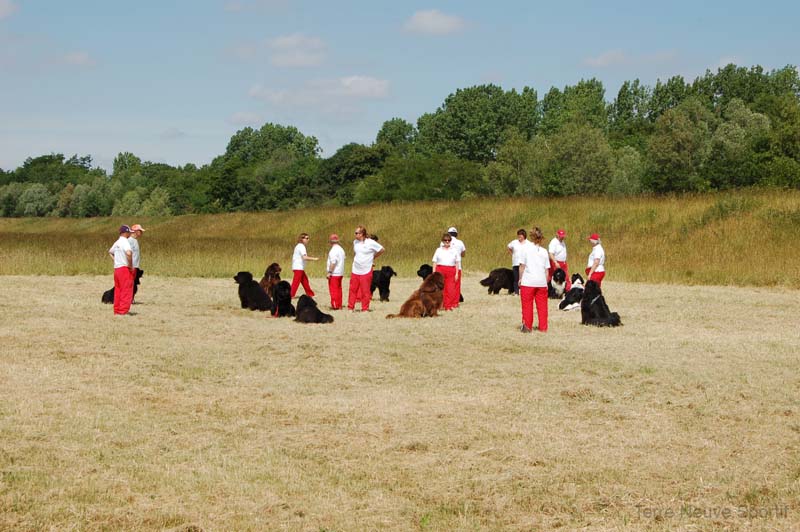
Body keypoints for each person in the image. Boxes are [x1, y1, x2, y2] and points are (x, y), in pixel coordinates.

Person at [518, 226, 550, 333]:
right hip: (541, 282)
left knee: (527, 305)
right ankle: (543, 327)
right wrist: (545, 283)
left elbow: (522, 266)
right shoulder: (544, 251)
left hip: (528, 281)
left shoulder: (525, 249)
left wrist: (520, 279)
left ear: (531, 237)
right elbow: (546, 270)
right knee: (542, 307)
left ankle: (527, 326)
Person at [348, 225, 384, 311]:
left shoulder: (370, 242)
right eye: (355, 233)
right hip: (355, 269)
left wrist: (373, 257)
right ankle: (350, 307)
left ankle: (365, 308)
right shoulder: (355, 242)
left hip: (366, 270)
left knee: (365, 291)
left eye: (356, 233)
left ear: (362, 234)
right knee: (353, 289)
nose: (355, 234)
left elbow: (382, 249)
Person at [108, 225, 134, 316]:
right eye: (129, 232)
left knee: (118, 290)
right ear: (125, 233)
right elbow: (129, 253)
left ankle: (117, 310)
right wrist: (130, 265)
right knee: (126, 290)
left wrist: (116, 260)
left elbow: (110, 252)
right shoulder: (125, 241)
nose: (130, 233)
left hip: (117, 269)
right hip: (124, 268)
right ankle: (123, 311)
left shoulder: (117, 242)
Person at [432, 232, 461, 310]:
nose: (447, 242)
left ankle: (448, 305)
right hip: (440, 269)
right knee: (440, 289)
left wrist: (457, 273)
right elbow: (434, 261)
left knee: (450, 288)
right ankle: (440, 305)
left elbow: (457, 262)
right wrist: (434, 272)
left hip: (451, 270)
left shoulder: (454, 250)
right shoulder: (438, 250)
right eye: (445, 240)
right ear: (442, 241)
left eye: (448, 240)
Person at [290, 233, 319, 298]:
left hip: (299, 267)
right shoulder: (301, 246)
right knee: (296, 282)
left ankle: (310, 294)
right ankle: (291, 295)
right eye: (306, 238)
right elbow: (304, 257)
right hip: (298, 267)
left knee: (305, 281)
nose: (308, 240)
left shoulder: (298, 246)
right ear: (302, 239)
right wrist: (314, 259)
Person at [445, 226, 465, 305]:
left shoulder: (444, 242)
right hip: (457, 267)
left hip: (446, 265)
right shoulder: (460, 242)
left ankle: (447, 301)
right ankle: (455, 302)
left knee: (447, 284)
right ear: (456, 234)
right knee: (456, 285)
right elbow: (463, 254)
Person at [507, 228, 529, 295]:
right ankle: (516, 292)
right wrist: (512, 253)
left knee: (524, 279)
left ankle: (524, 291)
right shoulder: (514, 242)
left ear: (524, 235)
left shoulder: (528, 243)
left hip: (524, 264)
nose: (519, 236)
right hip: (516, 263)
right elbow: (508, 247)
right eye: (518, 235)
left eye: (521, 235)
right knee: (516, 278)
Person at [326, 233, 345, 310]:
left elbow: (333, 262)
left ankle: (335, 305)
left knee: (333, 290)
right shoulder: (341, 249)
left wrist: (330, 272)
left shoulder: (333, 251)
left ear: (330, 241)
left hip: (334, 273)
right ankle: (339, 304)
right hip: (340, 272)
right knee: (339, 289)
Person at [128, 223, 145, 302]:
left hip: (135, 266)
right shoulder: (130, 241)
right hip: (132, 266)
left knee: (133, 282)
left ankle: (131, 298)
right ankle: (129, 298)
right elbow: (128, 253)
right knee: (130, 283)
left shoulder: (135, 240)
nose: (141, 232)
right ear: (135, 231)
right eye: (140, 231)